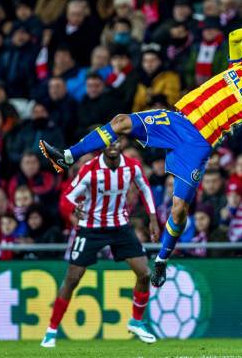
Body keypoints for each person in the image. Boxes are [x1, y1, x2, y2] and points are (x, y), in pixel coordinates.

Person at [39, 25, 242, 288]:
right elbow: (234, 36)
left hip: (199, 145)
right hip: (178, 120)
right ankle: (67, 156)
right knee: (121, 121)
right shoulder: (239, 65)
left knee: (179, 210)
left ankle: (161, 260)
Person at [40, 140, 159, 348]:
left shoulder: (132, 166)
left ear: (122, 143)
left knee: (145, 273)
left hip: (120, 226)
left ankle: (136, 321)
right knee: (73, 278)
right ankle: (51, 331)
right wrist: (72, 211)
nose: (113, 145)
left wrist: (153, 218)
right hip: (91, 227)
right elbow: (67, 198)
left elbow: (145, 188)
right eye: (109, 142)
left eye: (117, 141)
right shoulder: (90, 169)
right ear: (101, 145)